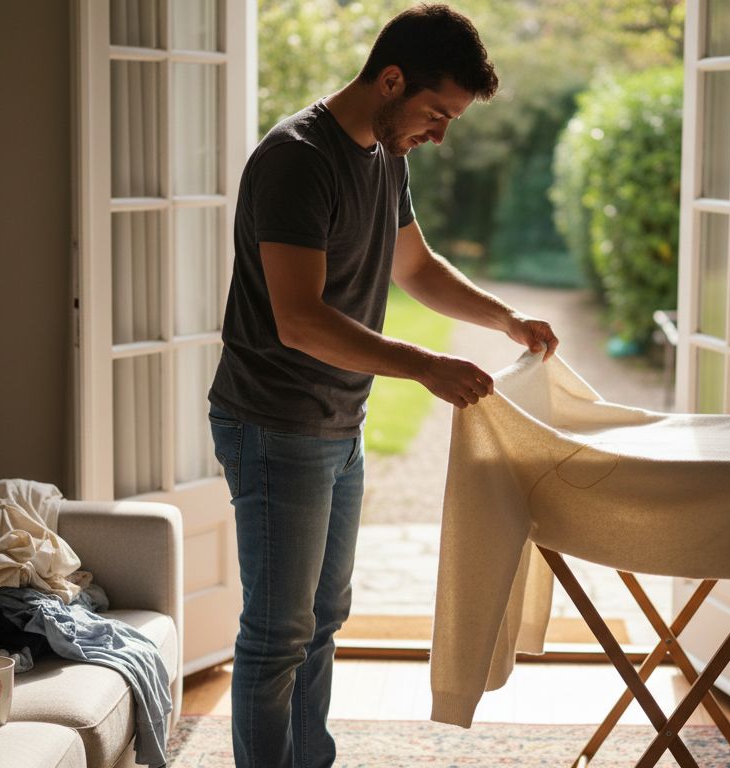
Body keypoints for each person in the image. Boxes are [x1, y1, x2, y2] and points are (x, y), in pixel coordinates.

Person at [206, 4, 559, 766]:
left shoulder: (385, 152)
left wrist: (506, 318)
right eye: (437, 112)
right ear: (390, 80)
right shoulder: (297, 158)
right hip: (275, 424)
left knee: (324, 617)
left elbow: (417, 267)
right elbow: (299, 321)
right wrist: (427, 367)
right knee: (278, 633)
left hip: (338, 422)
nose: (440, 134)